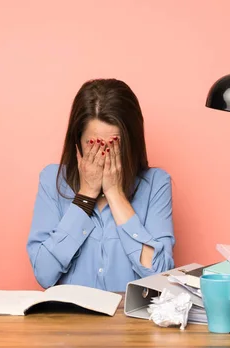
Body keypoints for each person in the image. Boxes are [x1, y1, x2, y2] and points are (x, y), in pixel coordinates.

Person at [26, 78, 175, 292]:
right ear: (77, 143)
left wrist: (115, 193)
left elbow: (160, 276)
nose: (104, 156)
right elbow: (44, 273)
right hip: (69, 320)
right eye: (94, 145)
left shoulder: (156, 184)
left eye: (114, 146)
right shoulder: (52, 180)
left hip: (131, 323)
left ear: (131, 143)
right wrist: (86, 195)